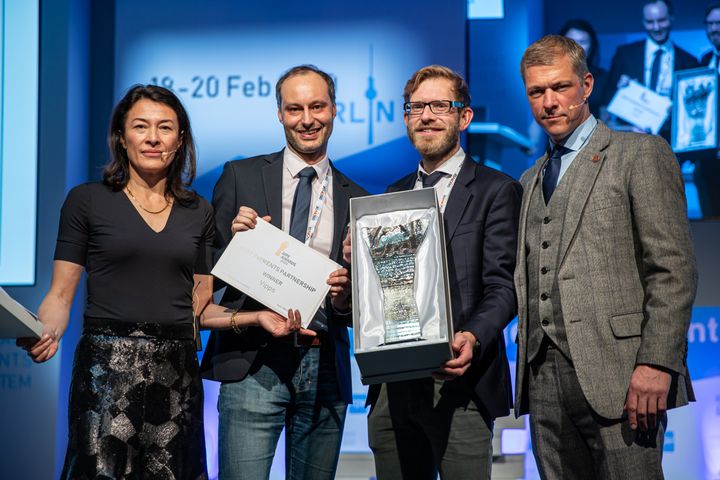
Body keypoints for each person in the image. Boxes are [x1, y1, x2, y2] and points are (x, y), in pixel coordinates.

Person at [16, 85, 306, 479]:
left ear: (180, 138)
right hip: (105, 372)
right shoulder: (86, 200)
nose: (153, 138)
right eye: (140, 126)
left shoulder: (199, 211)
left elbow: (198, 310)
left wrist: (256, 318)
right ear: (121, 135)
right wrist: (43, 331)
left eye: (165, 128)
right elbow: (60, 295)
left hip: (177, 375)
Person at [516, 35, 697, 478]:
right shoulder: (527, 179)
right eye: (537, 92)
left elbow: (673, 269)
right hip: (543, 381)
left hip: (624, 377)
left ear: (587, 85)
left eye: (560, 87)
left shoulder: (639, 154)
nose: (550, 102)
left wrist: (656, 363)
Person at [351, 65, 522, 479]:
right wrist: (356, 269)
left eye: (439, 105)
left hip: (459, 379)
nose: (426, 116)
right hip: (392, 387)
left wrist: (474, 336)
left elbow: (504, 287)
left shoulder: (496, 191)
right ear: (406, 118)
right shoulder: (388, 197)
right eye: (416, 107)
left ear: (464, 117)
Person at [200, 65, 368, 480]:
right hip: (252, 362)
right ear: (279, 113)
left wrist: (345, 295)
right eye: (295, 108)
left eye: (317, 106)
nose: (307, 119)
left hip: (324, 363)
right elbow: (207, 273)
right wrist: (235, 244)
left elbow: (357, 311)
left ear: (334, 109)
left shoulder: (359, 199)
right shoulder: (239, 176)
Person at [602, 0, 698, 140]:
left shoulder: (690, 61)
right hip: (631, 139)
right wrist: (620, 90)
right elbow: (606, 97)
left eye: (662, 20)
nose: (656, 27)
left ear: (672, 18)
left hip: (670, 140)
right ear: (643, 21)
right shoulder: (625, 54)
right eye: (650, 22)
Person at [694, 2, 720, 218]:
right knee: (710, 221)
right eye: (710, 23)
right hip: (708, 160)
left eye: (719, 23)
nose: (714, 28)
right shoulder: (705, 61)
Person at [560, 19, 608, 118]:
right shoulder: (549, 75)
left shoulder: (602, 78)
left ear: (591, 46)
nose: (576, 47)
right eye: (570, 41)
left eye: (583, 42)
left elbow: (606, 117)